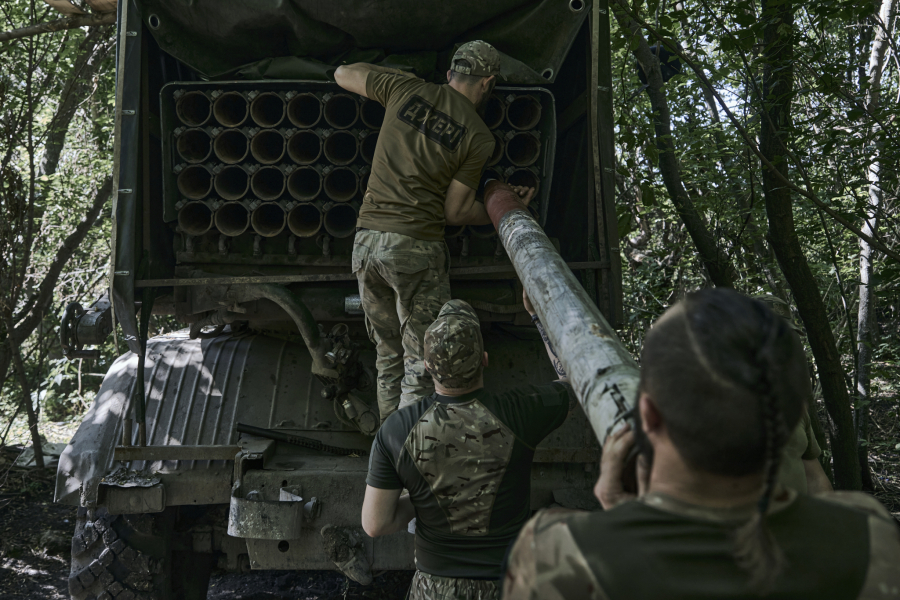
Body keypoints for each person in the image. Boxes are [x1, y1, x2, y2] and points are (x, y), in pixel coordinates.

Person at [504, 289, 900, 599]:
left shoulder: (555, 557)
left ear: (649, 415)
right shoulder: (871, 538)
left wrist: (622, 522)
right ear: (793, 413)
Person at [334, 42, 535, 423]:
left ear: (449, 74)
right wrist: (508, 209)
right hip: (414, 248)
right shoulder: (478, 135)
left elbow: (342, 73)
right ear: (487, 83)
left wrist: (397, 73)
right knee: (421, 363)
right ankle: (408, 453)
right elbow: (455, 211)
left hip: (367, 243)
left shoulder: (404, 88)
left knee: (387, 355)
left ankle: (386, 449)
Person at [361, 297, 575, 600]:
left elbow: (375, 524)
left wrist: (422, 500)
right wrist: (537, 316)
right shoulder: (521, 413)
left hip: (435, 589)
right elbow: (574, 380)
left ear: (427, 366)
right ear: (484, 359)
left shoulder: (396, 430)